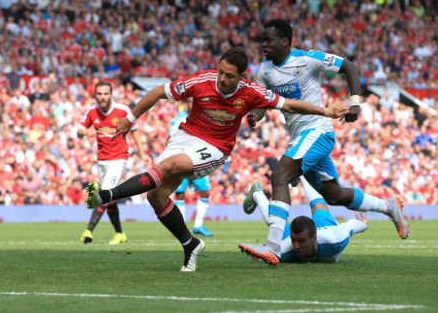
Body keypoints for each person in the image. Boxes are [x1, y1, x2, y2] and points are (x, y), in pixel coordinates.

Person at [85, 47, 348, 271]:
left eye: (229, 75)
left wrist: (325, 110)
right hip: (185, 136)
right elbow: (157, 93)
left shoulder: (251, 91)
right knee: (156, 196)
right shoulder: (202, 80)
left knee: (167, 166)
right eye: (220, 71)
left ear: (242, 76)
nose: (221, 78)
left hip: (215, 147)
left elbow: (288, 104)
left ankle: (106, 196)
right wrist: (129, 120)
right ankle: (191, 244)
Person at [246, 19, 408, 266]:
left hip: (317, 131)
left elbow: (349, 66)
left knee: (280, 176)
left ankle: (273, 247)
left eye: (268, 40)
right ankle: (388, 206)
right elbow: (262, 101)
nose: (263, 44)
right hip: (300, 136)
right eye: (262, 40)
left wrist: (355, 103)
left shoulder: (308, 59)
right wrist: (255, 115)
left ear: (284, 41)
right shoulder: (264, 70)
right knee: (333, 195)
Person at [78, 80, 151, 245]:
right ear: (95, 95)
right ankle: (120, 234)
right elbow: (78, 130)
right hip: (102, 160)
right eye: (100, 94)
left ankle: (88, 231)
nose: (103, 97)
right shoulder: (91, 111)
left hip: (119, 158)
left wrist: (142, 153)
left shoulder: (122, 110)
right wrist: (84, 131)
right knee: (109, 199)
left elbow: (135, 130)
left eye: (106, 94)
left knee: (104, 193)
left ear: (111, 95)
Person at [239, 177, 368, 263]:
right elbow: (270, 253)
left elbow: (352, 226)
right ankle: (257, 193)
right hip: (304, 232)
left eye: (301, 241)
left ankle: (303, 174)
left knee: (319, 205)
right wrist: (261, 256)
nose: (296, 246)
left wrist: (362, 225)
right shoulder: (287, 249)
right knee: (273, 221)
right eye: (294, 241)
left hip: (325, 227)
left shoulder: (335, 239)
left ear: (314, 237)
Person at [170, 105, 213, 237]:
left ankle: (198, 225)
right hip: (182, 162)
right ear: (186, 104)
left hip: (198, 162)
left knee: (205, 193)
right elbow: (171, 139)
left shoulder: (206, 118)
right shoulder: (178, 119)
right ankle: (181, 227)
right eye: (190, 101)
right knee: (180, 194)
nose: (193, 104)